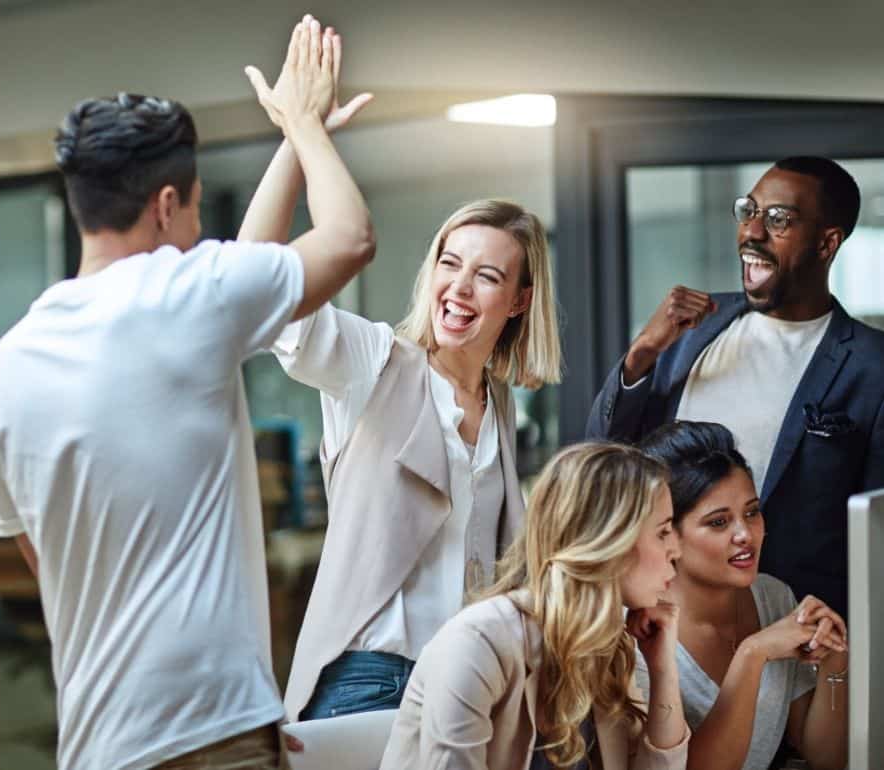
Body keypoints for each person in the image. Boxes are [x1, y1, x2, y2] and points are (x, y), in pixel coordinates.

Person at [0, 17, 375, 770]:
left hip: (97, 746)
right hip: (208, 732)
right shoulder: (189, 297)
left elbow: (43, 559)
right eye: (191, 211)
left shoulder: (3, 370)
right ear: (164, 205)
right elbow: (349, 238)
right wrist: (303, 126)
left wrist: (293, 141)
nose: (196, 233)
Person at [238, 56, 563, 722]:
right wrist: (300, 138)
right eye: (449, 262)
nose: (459, 287)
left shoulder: (500, 408)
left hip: (473, 681)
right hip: (371, 676)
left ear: (521, 300)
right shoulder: (375, 361)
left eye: (487, 276)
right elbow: (254, 277)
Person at [587, 156, 884, 617]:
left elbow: (875, 542)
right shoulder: (690, 328)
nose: (752, 232)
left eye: (778, 219)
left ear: (827, 243)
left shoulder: (872, 365)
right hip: (657, 617)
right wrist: (642, 353)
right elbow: (604, 454)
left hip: (791, 630)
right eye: (749, 211)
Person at [379, 442, 689, 770]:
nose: (676, 550)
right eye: (663, 532)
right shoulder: (478, 641)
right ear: (609, 540)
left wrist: (663, 670)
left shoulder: (603, 647)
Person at [637, 421, 848, 770]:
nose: (745, 534)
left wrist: (835, 662)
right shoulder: (640, 630)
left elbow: (826, 758)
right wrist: (753, 654)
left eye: (752, 512)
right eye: (719, 522)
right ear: (667, 532)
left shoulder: (773, 597)